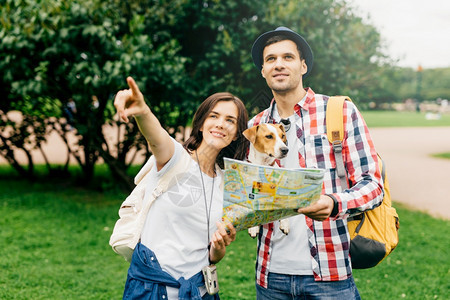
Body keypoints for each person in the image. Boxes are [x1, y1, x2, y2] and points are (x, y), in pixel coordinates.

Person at [249, 26, 384, 299]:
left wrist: (334, 203)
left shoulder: (340, 111)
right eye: (271, 59)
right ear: (263, 71)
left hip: (330, 276)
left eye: (288, 57)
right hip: (270, 276)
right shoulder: (255, 126)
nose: (279, 64)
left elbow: (373, 185)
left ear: (303, 65)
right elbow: (252, 192)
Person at [114, 77, 249, 299]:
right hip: (153, 291)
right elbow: (157, 138)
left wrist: (218, 247)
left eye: (230, 120)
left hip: (200, 292)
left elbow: (210, 255)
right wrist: (143, 111)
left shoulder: (227, 182)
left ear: (236, 133)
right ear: (202, 123)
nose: (220, 124)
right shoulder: (175, 159)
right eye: (214, 116)